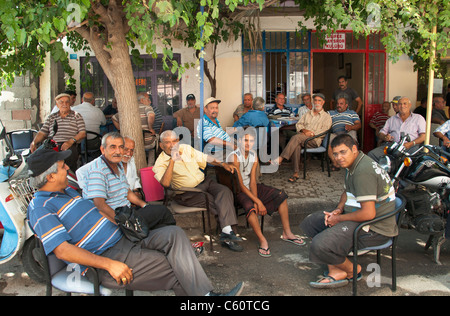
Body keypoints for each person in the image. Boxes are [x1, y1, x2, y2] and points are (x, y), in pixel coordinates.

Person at [26, 147, 244, 296]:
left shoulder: (67, 192)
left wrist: (124, 223)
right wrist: (109, 264)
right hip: (108, 256)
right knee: (178, 269)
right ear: (50, 177)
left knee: (174, 234)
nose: (67, 168)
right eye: (63, 166)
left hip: (125, 238)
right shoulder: (41, 207)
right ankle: (206, 296)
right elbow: (62, 251)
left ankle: (205, 295)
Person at [300, 134, 397, 289]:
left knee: (319, 244)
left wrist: (338, 219)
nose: (339, 157)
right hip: (359, 217)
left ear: (354, 149)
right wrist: (338, 209)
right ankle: (336, 268)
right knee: (312, 222)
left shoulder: (363, 171)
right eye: (336, 154)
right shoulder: (352, 164)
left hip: (374, 227)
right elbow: (347, 192)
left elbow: (368, 214)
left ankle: (353, 271)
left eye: (343, 152)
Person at [153, 130, 243, 252]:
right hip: (188, 193)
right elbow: (165, 183)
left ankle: (227, 232)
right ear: (161, 145)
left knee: (224, 191)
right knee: (212, 201)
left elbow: (205, 157)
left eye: (174, 141)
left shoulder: (185, 148)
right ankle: (228, 234)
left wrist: (222, 164)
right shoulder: (160, 162)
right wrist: (172, 161)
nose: (172, 145)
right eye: (168, 142)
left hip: (205, 182)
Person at [227, 131, 305, 257]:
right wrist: (257, 202)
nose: (248, 144)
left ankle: (287, 233)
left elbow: (253, 180)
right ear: (240, 141)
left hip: (250, 188)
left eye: (251, 141)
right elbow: (240, 185)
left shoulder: (253, 155)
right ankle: (262, 240)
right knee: (250, 207)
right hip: (238, 191)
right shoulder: (234, 157)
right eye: (245, 140)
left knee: (281, 196)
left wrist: (257, 199)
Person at [77, 132, 175, 230]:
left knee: (159, 220)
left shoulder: (118, 164)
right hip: (117, 218)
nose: (118, 151)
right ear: (103, 149)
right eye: (113, 147)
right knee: (164, 212)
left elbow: (126, 191)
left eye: (121, 147)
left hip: (128, 212)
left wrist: (144, 205)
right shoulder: (98, 171)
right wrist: (124, 223)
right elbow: (100, 205)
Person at [272, 93, 332, 183]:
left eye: (319, 100)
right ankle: (296, 173)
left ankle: (281, 158)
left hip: (315, 140)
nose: (317, 102)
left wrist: (311, 134)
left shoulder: (326, 117)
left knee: (296, 138)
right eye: (315, 100)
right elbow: (298, 124)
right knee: (296, 145)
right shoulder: (308, 114)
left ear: (323, 102)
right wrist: (304, 130)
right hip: (302, 138)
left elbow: (325, 130)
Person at [30, 93, 86, 172]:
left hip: (69, 145)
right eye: (61, 102)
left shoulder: (76, 116)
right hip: (53, 145)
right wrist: (34, 142)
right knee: (37, 160)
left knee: (68, 164)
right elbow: (42, 132)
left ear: (70, 103)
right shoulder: (52, 117)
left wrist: (70, 141)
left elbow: (82, 133)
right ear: (57, 104)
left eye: (67, 102)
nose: (64, 104)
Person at [367, 97, 426, 163]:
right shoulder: (391, 119)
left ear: (410, 105)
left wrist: (411, 143)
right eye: (400, 104)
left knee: (404, 161)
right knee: (372, 154)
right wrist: (385, 137)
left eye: (405, 104)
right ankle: (381, 172)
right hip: (393, 146)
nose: (402, 106)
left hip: (411, 146)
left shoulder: (418, 118)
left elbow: (423, 136)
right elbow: (381, 133)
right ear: (398, 106)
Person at [327, 96, 361, 171]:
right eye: (338, 103)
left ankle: (353, 164)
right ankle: (336, 164)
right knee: (328, 140)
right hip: (335, 134)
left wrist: (351, 127)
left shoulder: (352, 113)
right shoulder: (330, 113)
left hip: (348, 132)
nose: (339, 105)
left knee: (353, 140)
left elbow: (358, 125)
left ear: (346, 105)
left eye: (341, 104)